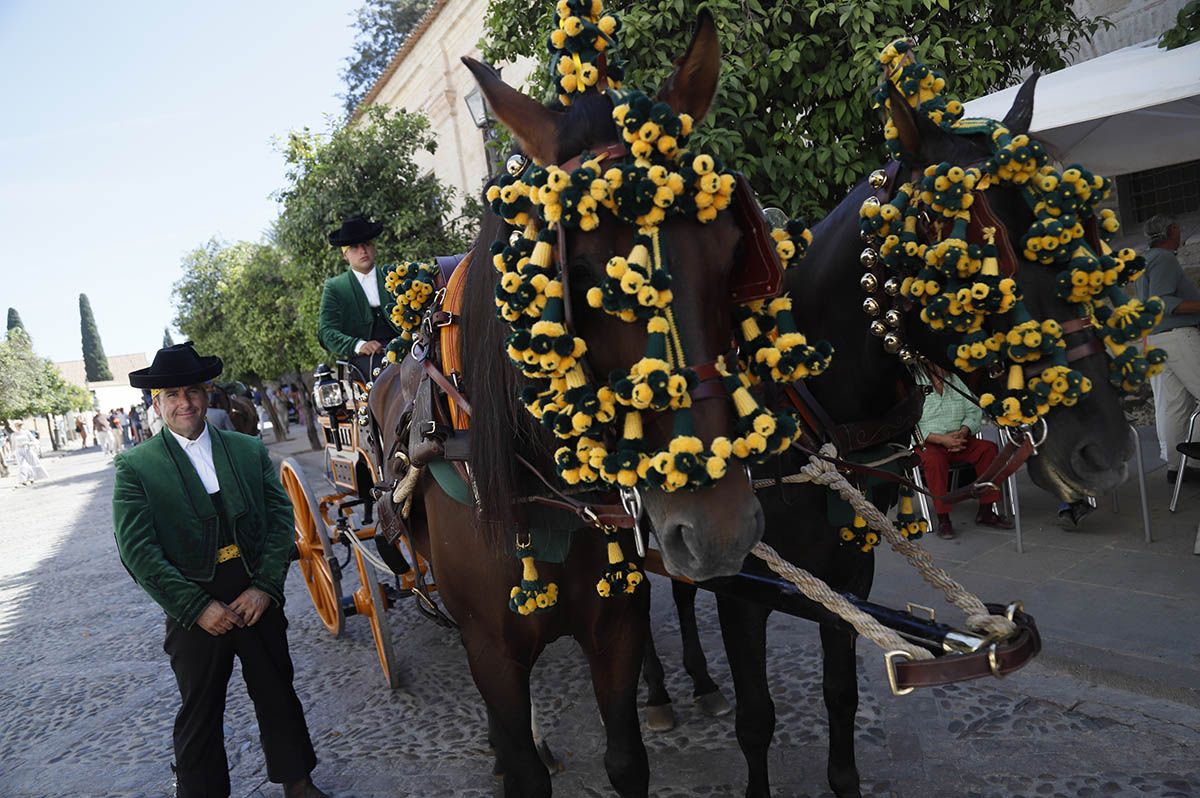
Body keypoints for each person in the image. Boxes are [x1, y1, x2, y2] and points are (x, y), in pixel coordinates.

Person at [112, 343, 327, 798]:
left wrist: (265, 588)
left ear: (206, 394)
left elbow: (278, 520)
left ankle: (299, 782)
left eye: (192, 391)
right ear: (158, 403)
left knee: (277, 690)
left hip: (254, 593)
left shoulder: (246, 450)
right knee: (200, 707)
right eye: (172, 394)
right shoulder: (136, 467)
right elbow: (138, 552)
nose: (184, 402)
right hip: (192, 602)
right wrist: (196, 607)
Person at [1134, 214, 1200, 483]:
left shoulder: (1144, 261)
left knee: (1171, 405)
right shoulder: (1164, 258)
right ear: (1171, 230)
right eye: (1178, 228)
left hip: (1155, 340)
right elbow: (1163, 302)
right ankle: (1191, 461)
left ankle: (1178, 466)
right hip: (1177, 336)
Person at [916, 365, 1014, 539]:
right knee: (934, 460)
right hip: (930, 442)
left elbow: (973, 410)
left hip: (960, 439)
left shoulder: (955, 379)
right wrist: (941, 439)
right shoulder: (915, 383)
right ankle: (944, 519)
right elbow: (912, 424)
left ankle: (986, 511)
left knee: (988, 449)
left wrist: (964, 430)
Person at [317, 215, 400, 381]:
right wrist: (359, 345)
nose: (363, 251)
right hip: (368, 361)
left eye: (366, 244)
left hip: (407, 347)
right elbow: (326, 332)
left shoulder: (394, 275)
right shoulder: (336, 287)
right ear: (345, 255)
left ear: (373, 247)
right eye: (354, 247)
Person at [11, 420, 49, 486]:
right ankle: (23, 480)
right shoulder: (13, 435)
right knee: (23, 465)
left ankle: (32, 478)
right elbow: (13, 445)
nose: (18, 427)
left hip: (27, 449)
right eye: (17, 426)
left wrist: (29, 443)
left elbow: (34, 440)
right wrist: (13, 453)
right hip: (19, 450)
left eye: (20, 425)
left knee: (32, 463)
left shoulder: (26, 432)